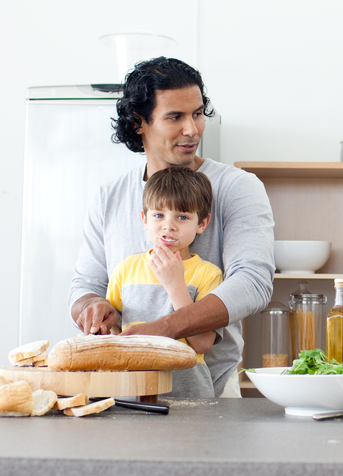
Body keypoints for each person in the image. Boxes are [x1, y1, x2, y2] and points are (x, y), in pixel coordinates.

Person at [68, 57, 275, 398]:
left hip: (211, 391)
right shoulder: (109, 197)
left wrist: (166, 328)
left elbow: (253, 283)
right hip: (121, 389)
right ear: (139, 123)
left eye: (197, 113)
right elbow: (85, 285)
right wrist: (91, 307)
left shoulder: (238, 187)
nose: (192, 129)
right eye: (175, 117)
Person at [106, 167, 222, 397]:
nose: (168, 226)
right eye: (158, 215)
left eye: (182, 217)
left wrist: (175, 284)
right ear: (145, 219)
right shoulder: (125, 269)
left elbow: (202, 344)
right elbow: (115, 332)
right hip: (130, 393)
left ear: (202, 223)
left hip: (189, 394)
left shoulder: (208, 274)